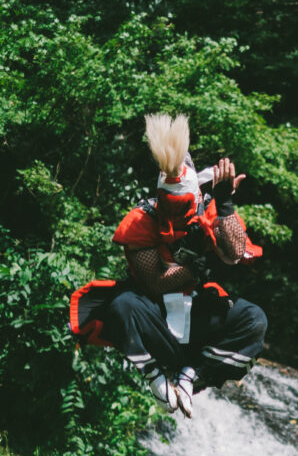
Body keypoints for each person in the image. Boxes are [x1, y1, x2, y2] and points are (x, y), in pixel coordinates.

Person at [70, 114, 267, 417]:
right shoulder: (141, 218)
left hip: (198, 316)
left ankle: (193, 376)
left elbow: (236, 253)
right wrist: (193, 267)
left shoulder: (209, 208)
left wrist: (225, 203)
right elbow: (155, 282)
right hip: (154, 317)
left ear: (197, 196)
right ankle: (153, 374)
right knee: (122, 305)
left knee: (254, 319)